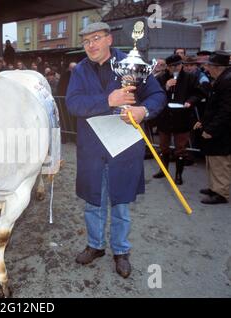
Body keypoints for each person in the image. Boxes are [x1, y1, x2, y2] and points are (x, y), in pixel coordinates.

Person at [66, 22, 165, 278]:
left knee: (120, 204)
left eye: (96, 38)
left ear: (109, 39)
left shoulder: (133, 62)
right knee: (93, 202)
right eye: (86, 41)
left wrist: (143, 111)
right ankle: (96, 246)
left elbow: (156, 95)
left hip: (124, 147)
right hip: (92, 147)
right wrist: (107, 100)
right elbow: (73, 104)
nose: (91, 45)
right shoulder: (80, 71)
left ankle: (121, 251)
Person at [153, 54, 204, 185]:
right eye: (172, 66)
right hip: (165, 118)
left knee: (180, 148)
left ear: (182, 65)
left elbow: (198, 93)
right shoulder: (161, 78)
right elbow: (154, 94)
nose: (175, 68)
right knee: (163, 147)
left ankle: (178, 175)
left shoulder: (190, 78)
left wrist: (190, 101)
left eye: (178, 65)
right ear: (167, 67)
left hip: (182, 118)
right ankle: (163, 170)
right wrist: (165, 87)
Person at [193, 51, 231, 204]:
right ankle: (214, 187)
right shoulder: (222, 79)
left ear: (217, 67)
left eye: (209, 66)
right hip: (218, 129)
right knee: (213, 160)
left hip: (222, 132)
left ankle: (221, 193)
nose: (207, 69)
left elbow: (226, 111)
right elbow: (213, 107)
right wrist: (204, 122)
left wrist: (211, 129)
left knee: (220, 162)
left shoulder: (227, 82)